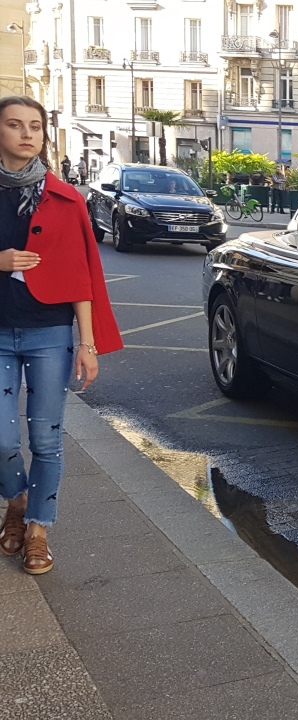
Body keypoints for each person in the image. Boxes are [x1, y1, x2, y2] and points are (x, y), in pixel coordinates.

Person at [0, 96, 123, 575]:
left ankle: (37, 529)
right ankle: (17, 497)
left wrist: (88, 344)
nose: (27, 134)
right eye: (14, 125)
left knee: (46, 440)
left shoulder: (66, 198)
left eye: (35, 126)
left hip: (50, 331)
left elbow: (82, 275)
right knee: (3, 440)